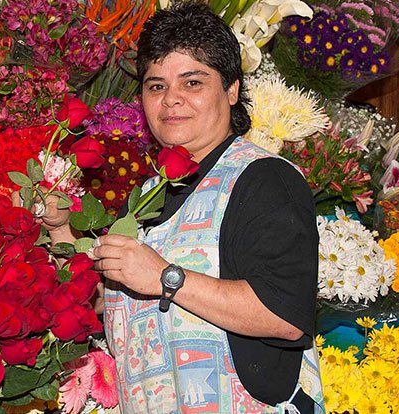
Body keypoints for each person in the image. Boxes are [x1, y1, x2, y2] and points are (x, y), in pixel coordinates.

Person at [39, 3, 322, 413]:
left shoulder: (264, 180)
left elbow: (285, 314)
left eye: (192, 82)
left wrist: (166, 277)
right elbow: (110, 308)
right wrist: (61, 230)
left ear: (232, 89)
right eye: (156, 86)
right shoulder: (149, 193)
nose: (171, 100)